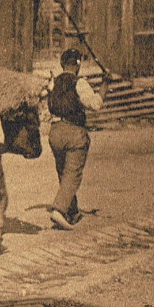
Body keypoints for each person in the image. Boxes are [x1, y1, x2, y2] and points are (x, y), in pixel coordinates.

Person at [46, 47, 107, 230]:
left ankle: (71, 211)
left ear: (62, 64)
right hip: (74, 133)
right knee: (72, 174)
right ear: (78, 65)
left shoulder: (53, 82)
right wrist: (105, 86)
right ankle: (59, 210)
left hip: (55, 132)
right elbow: (96, 105)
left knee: (63, 172)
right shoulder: (79, 83)